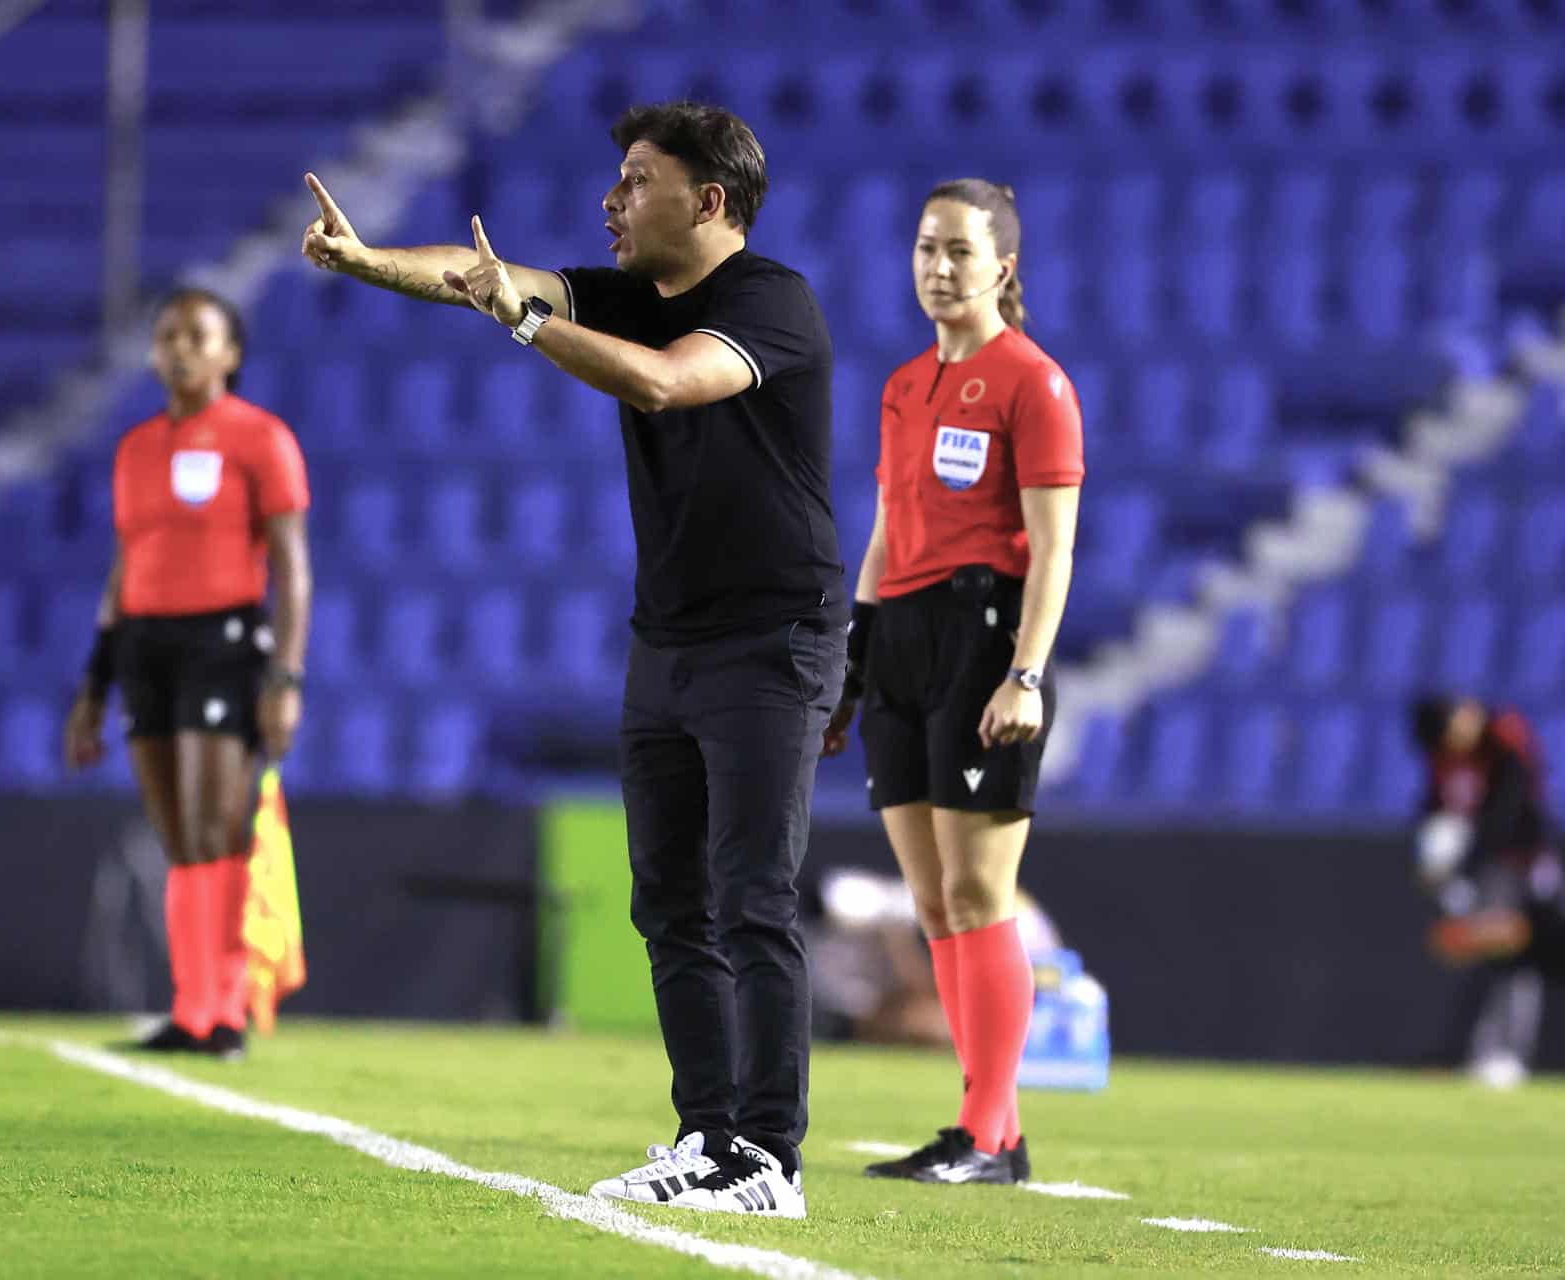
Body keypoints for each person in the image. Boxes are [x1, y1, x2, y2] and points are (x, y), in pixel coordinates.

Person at [301, 100, 843, 1218]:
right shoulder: (625, 293)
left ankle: (773, 1162)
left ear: (711, 200)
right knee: (668, 902)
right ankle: (708, 1135)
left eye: (639, 179)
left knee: (753, 897)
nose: (612, 199)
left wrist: (520, 319)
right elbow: (477, 269)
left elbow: (663, 381)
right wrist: (367, 262)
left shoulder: (770, 300)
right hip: (671, 636)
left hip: (771, 638)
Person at [823, 178, 1084, 1186]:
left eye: (960, 252)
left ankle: (984, 1129)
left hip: (986, 637)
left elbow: (1056, 550)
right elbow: (891, 529)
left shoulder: (1035, 383)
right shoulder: (902, 384)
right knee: (934, 901)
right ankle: (994, 1132)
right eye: (927, 248)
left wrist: (1026, 669)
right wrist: (854, 656)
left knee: (982, 890)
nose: (939, 267)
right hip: (903, 640)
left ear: (1003, 266)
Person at [63, 288, 313, 1062]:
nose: (180, 349)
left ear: (230, 354)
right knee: (175, 836)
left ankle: (225, 1009)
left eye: (199, 336)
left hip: (224, 643)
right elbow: (122, 570)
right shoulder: (136, 448)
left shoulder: (260, 438)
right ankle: (190, 1006)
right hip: (144, 645)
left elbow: (292, 569)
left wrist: (285, 677)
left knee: (216, 825)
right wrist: (93, 687)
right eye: (168, 335)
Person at [1410, 695, 1559, 1087]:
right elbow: (1432, 811)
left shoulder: (1503, 740)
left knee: (1519, 957)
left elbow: (1509, 812)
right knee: (1490, 961)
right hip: (1488, 873)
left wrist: (1465, 865)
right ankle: (1485, 1051)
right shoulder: (1445, 759)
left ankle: (1508, 1053)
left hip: (1523, 868)